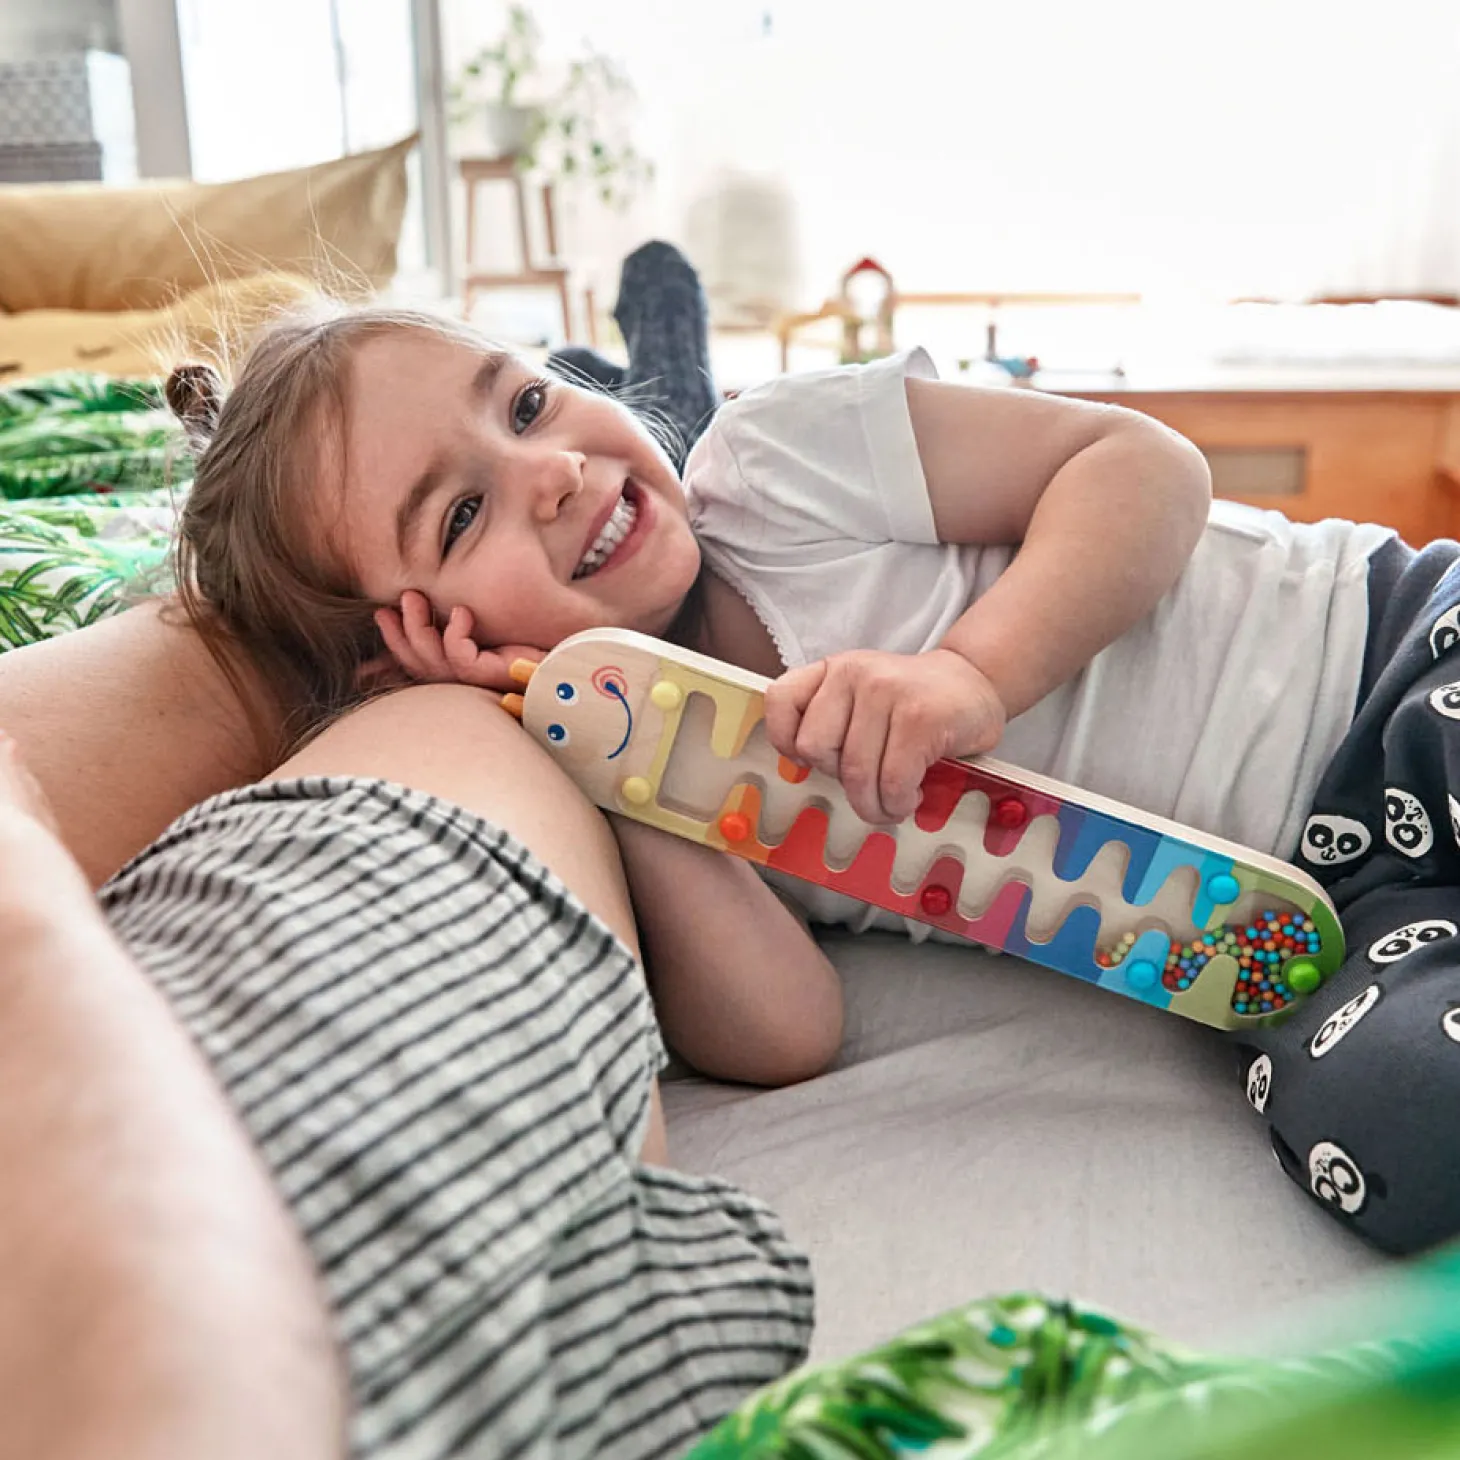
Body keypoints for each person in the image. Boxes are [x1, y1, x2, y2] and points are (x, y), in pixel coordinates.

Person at [155, 240, 1460, 1260]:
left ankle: (633, 358)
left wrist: (971, 672)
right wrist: (601, 755)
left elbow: (1143, 467)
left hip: (1392, 668)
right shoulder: (645, 780)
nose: (548, 469)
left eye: (530, 401)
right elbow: (787, 1032)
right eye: (458, 514)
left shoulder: (778, 466)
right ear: (410, 650)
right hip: (1337, 915)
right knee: (1398, 1127)